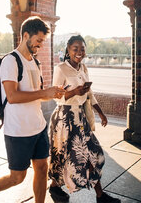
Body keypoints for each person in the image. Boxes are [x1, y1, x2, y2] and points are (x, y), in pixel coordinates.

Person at [0, 16, 66, 203]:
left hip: (38, 126)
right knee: (17, 177)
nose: (40, 45)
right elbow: (12, 97)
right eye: (38, 41)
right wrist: (44, 92)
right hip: (18, 130)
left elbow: (38, 94)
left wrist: (51, 93)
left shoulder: (35, 63)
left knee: (42, 168)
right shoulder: (10, 61)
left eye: (43, 42)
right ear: (26, 35)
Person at [48, 35, 121, 203]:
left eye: (82, 49)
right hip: (64, 118)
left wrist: (100, 113)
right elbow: (56, 96)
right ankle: (56, 187)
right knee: (64, 156)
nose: (79, 52)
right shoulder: (61, 68)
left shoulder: (84, 68)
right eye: (75, 49)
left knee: (93, 154)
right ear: (68, 50)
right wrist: (74, 92)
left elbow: (90, 94)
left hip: (80, 118)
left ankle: (99, 196)